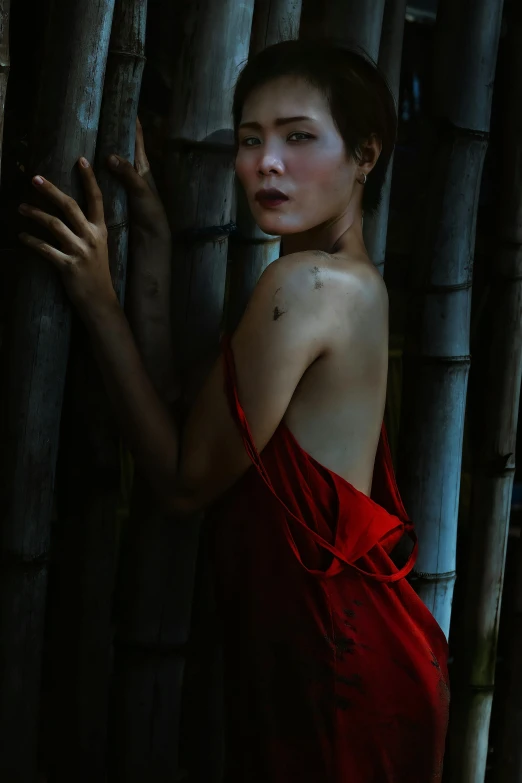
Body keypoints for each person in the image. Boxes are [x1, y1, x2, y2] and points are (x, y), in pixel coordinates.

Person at [18, 38, 449, 783]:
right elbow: (187, 411)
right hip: (337, 662)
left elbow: (182, 481)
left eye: (298, 136)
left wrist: (96, 300)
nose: (266, 162)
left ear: (366, 154)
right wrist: (150, 241)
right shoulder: (344, 284)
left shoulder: (307, 289)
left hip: (335, 677)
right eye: (251, 139)